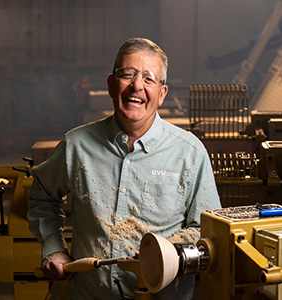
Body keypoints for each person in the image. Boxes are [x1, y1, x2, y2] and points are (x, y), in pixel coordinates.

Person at [28, 37, 221, 300]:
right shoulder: (77, 145)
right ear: (110, 85)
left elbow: (209, 230)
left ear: (162, 94)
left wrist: (166, 251)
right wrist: (53, 248)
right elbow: (42, 196)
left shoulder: (189, 153)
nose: (137, 86)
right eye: (127, 75)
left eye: (149, 78)